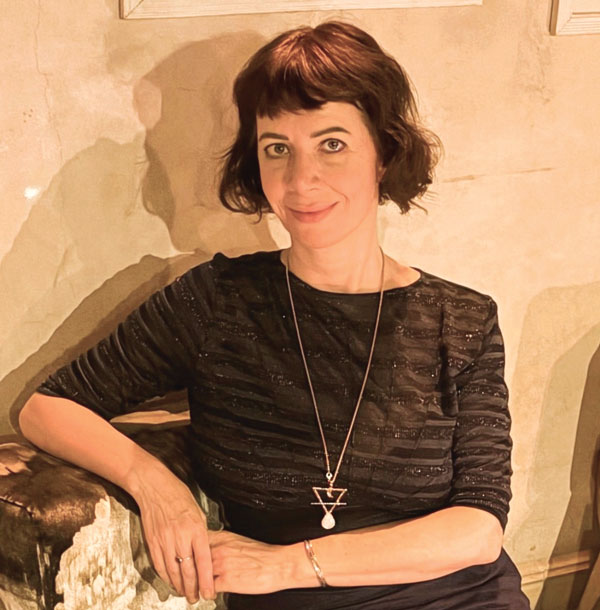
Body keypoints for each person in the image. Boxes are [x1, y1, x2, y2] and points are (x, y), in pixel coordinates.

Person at [19, 21, 530, 610]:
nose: (300, 179)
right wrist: (154, 483)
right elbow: (46, 409)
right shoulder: (217, 301)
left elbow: (478, 529)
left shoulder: (461, 319)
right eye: (277, 148)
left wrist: (288, 564)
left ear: (384, 154)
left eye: (331, 144)